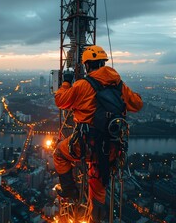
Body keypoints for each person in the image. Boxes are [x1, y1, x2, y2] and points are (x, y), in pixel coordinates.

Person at [53, 45, 143, 223]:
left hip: (86, 145)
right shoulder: (118, 85)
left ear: (87, 66)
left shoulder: (83, 85)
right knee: (98, 185)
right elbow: (137, 105)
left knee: (59, 154)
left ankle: (69, 190)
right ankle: (95, 219)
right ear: (103, 63)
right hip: (109, 148)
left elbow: (60, 101)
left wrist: (66, 83)